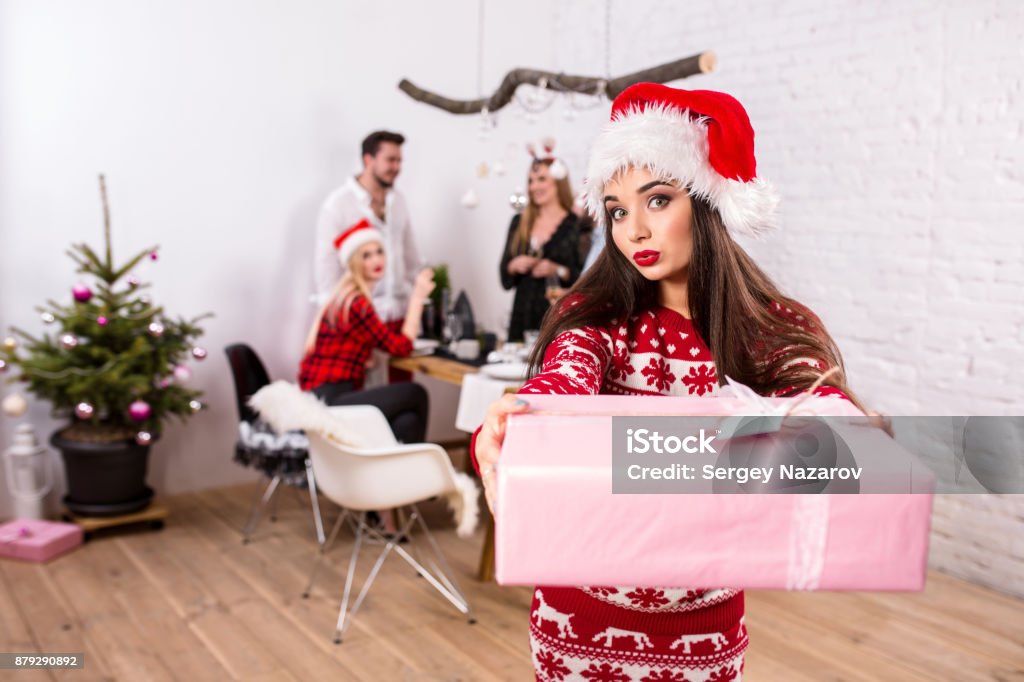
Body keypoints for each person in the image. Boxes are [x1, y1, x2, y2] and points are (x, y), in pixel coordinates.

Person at [473, 84, 860, 681]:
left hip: (704, 630)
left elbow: (824, 409)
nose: (633, 231)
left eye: (656, 200)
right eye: (617, 209)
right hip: (577, 620)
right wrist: (520, 415)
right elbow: (563, 383)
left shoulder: (772, 329)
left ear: (708, 203)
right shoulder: (598, 321)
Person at [300, 219, 435, 444]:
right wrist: (418, 296)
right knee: (415, 393)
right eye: (366, 255)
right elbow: (401, 347)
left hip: (322, 395)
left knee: (408, 420)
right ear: (353, 262)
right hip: (331, 400)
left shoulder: (343, 296)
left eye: (379, 252)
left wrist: (364, 357)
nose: (376, 260)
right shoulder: (356, 303)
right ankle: (411, 472)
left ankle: (399, 473)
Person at [314, 130, 423, 384]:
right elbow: (326, 277)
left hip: (398, 319)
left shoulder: (399, 201)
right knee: (365, 403)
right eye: (390, 160)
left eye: (399, 161)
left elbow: (411, 258)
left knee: (402, 395)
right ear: (368, 159)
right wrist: (344, 337)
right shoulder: (338, 205)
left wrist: (416, 306)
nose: (396, 167)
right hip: (360, 325)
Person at [499, 156, 582, 342]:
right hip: (520, 321)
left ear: (558, 181)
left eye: (541, 179)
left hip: (558, 321)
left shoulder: (576, 224)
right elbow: (504, 279)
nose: (533, 187)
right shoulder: (519, 222)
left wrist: (557, 270)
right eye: (530, 181)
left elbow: (588, 279)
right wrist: (514, 265)